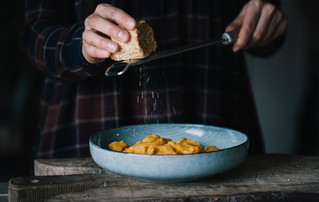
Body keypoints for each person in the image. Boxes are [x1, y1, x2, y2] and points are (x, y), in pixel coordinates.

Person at [21, 0, 287, 158]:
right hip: (85, 131)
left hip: (217, 118)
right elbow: (35, 35)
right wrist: (80, 44)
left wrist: (265, 19)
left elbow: (265, 31)